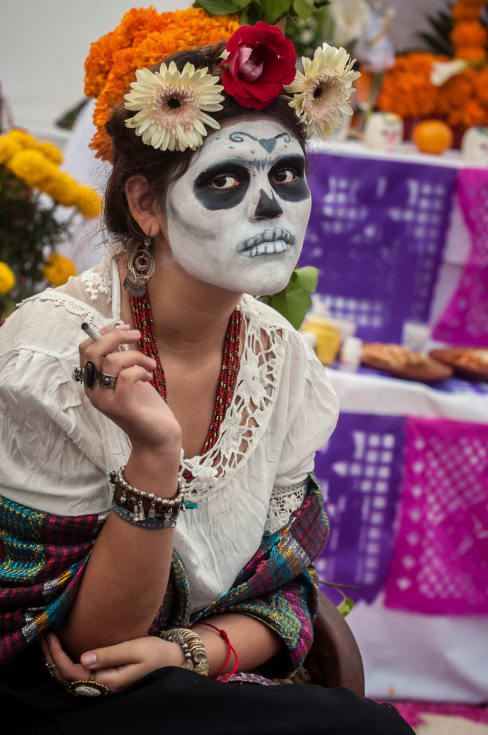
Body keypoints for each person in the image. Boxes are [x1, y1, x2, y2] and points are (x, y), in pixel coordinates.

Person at [0, 19, 414, 735]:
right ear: (146, 205)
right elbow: (81, 652)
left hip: (183, 682)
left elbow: (287, 594)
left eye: (287, 175)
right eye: (226, 180)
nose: (270, 206)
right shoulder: (52, 350)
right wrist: (154, 455)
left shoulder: (280, 356)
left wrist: (189, 649)